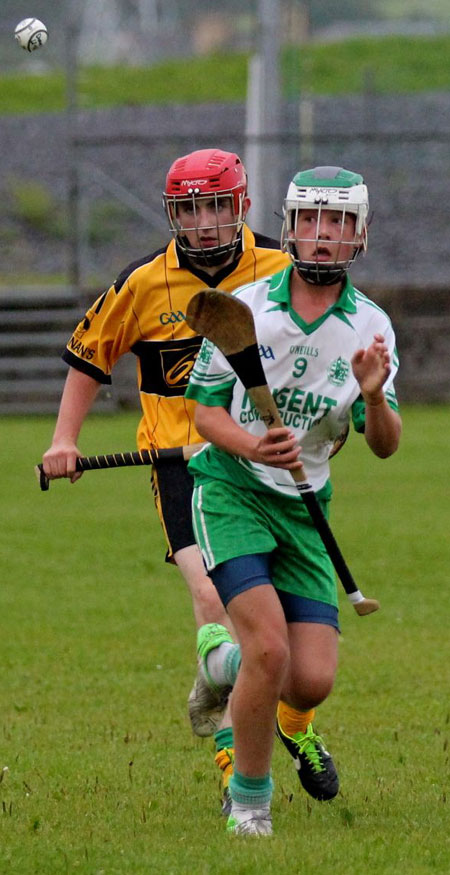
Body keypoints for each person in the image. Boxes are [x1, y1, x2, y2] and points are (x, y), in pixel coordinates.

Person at [41, 148, 291, 813]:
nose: (205, 224)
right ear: (172, 213)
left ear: (239, 206)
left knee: (271, 621)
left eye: (216, 207)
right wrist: (65, 439)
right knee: (214, 597)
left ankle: (233, 684)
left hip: (260, 467)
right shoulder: (144, 283)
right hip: (179, 465)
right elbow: (89, 358)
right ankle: (235, 763)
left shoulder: (280, 270)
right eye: (190, 210)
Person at [185, 165, 402, 836]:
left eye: (338, 222)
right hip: (231, 490)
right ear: (291, 226)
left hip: (306, 506)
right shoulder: (247, 307)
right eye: (311, 219)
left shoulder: (370, 326)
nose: (322, 234)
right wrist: (252, 449)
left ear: (358, 235)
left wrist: (371, 394)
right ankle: (248, 803)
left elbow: (386, 443)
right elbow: (203, 414)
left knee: (308, 681)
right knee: (271, 652)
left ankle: (218, 661)